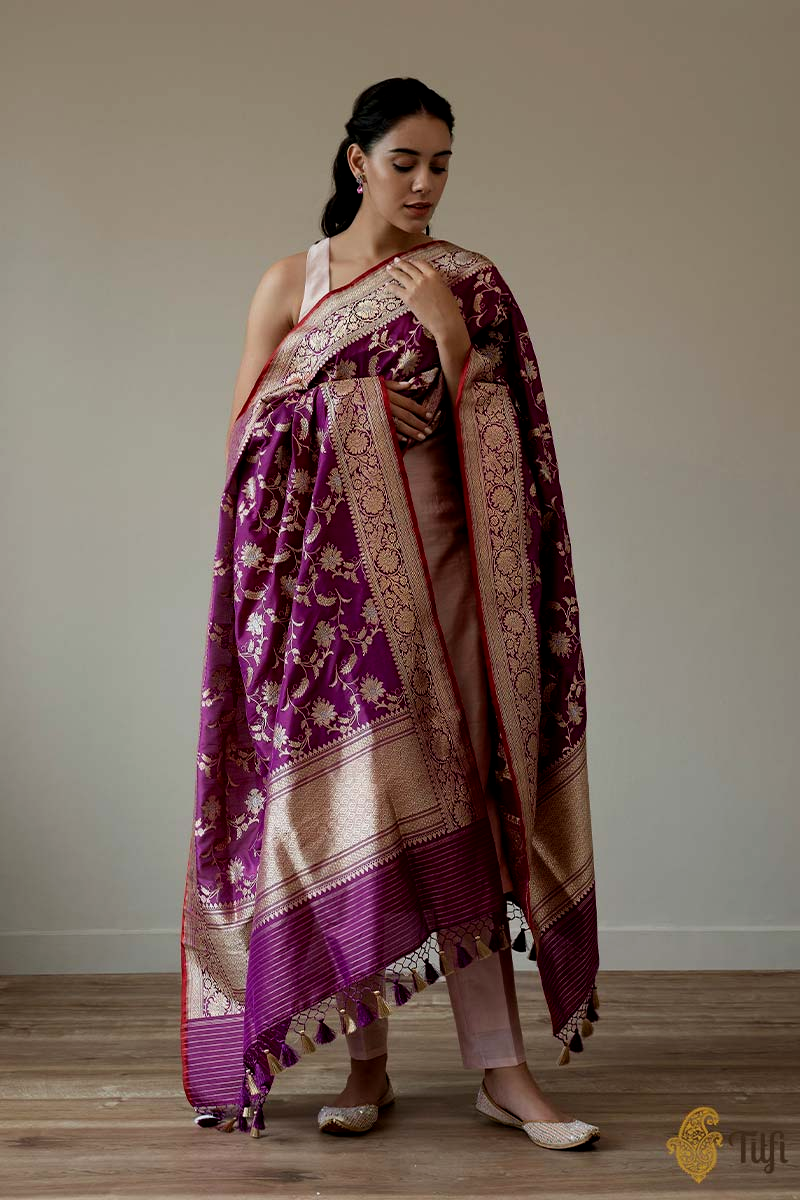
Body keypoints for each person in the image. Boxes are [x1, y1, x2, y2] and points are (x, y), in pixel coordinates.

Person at [181, 77, 601, 1150]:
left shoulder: (469, 281)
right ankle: (363, 1062)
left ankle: (503, 1073)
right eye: (405, 161)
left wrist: (452, 347)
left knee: (461, 805)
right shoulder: (292, 282)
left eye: (441, 164)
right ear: (357, 159)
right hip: (334, 608)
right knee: (355, 808)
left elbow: (517, 436)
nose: (424, 184)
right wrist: (350, 411)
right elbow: (243, 444)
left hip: (454, 586)